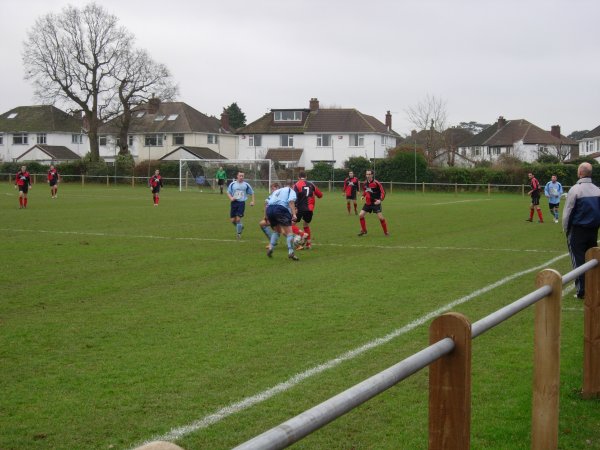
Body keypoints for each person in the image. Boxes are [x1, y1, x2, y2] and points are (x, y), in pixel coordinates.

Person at [562, 162, 600, 299]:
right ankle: (594, 286)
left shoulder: (575, 190)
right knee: (593, 260)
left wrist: (566, 229)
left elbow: (568, 212)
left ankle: (581, 291)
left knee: (578, 260)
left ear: (579, 173)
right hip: (593, 230)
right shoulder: (597, 190)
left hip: (578, 230)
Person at [265, 179, 299, 260]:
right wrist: (294, 214)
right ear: (293, 185)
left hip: (270, 209)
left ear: (284, 185)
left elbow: (268, 202)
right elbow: (291, 202)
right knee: (289, 233)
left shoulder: (277, 191)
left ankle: (271, 248)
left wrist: (266, 215)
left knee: (277, 231)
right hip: (280, 209)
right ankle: (291, 252)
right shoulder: (291, 190)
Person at [293, 171, 323, 250]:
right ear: (306, 177)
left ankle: (302, 234)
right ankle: (309, 244)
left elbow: (294, 197)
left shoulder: (296, 185)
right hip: (309, 209)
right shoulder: (311, 184)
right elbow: (320, 195)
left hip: (299, 208)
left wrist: (295, 207)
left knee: (290, 224)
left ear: (298, 177)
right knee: (306, 225)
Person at [357, 169, 388, 236]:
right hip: (368, 203)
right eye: (366, 174)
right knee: (361, 215)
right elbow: (365, 191)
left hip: (375, 203)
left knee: (381, 218)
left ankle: (386, 232)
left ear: (372, 175)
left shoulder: (376, 183)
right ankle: (364, 230)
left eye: (369, 174)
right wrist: (363, 196)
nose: (367, 175)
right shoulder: (365, 183)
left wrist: (380, 200)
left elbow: (383, 192)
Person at [227, 171, 255, 239]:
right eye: (240, 176)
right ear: (237, 176)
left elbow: (252, 193)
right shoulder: (232, 184)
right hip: (234, 203)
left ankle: (238, 234)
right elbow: (228, 192)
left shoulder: (246, 185)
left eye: (242, 176)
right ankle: (240, 226)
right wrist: (231, 198)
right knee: (233, 220)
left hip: (241, 203)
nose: (241, 177)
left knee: (238, 219)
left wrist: (253, 201)